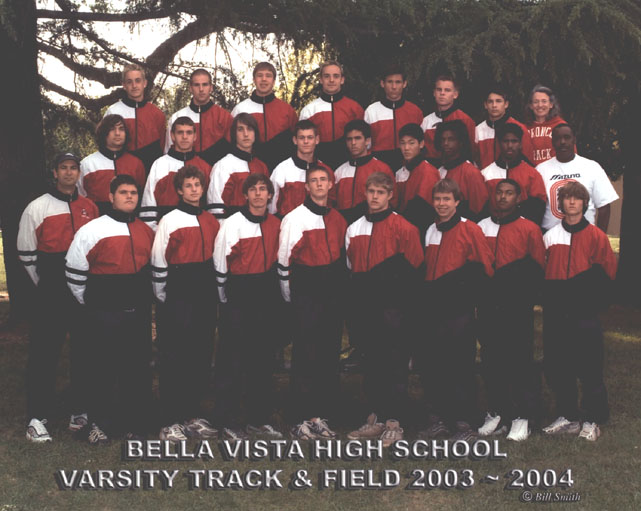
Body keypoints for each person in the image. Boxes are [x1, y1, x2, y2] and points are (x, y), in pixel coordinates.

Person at [65, 175, 155, 443]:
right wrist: (92, 301)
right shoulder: (93, 229)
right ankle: (99, 424)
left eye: (133, 193)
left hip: (136, 312)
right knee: (102, 369)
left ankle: (134, 424)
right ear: (112, 197)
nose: (129, 197)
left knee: (136, 368)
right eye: (123, 192)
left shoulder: (145, 230)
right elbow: (74, 271)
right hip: (103, 312)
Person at [18, 153, 99, 442]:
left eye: (73, 168)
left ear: (79, 173)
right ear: (54, 172)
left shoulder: (90, 207)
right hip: (51, 289)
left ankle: (80, 411)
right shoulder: (37, 207)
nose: (68, 172)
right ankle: (37, 417)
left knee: (84, 352)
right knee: (44, 353)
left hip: (83, 289)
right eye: (63, 168)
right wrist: (48, 284)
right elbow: (27, 254)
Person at [345, 172, 423, 447]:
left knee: (394, 366)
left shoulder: (405, 228)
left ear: (390, 195)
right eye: (371, 192)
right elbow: (350, 269)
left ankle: (395, 422)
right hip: (365, 310)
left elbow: (415, 274)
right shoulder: (353, 228)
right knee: (373, 364)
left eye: (381, 192)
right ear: (365, 194)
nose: (375, 197)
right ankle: (376, 418)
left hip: (394, 311)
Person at [418, 178, 494, 442]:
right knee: (434, 365)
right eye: (437, 199)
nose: (441, 204)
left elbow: (483, 269)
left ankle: (464, 423)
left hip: (459, 311)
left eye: (446, 199)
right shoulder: (430, 230)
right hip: (432, 311)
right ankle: (438, 419)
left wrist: (466, 298)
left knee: (460, 366)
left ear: (457, 202)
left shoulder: (469, 229)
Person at [541, 181, 617, 441]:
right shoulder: (550, 236)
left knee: (589, 367)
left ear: (585, 203)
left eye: (577, 198)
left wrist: (590, 305)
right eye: (567, 198)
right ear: (560, 204)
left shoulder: (596, 236)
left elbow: (607, 274)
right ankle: (568, 415)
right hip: (556, 314)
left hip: (584, 315)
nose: (572, 202)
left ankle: (593, 419)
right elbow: (543, 273)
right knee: (559, 365)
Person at [151, 166, 220, 443]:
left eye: (197, 185)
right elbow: (158, 259)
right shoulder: (170, 220)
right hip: (178, 289)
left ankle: (192, 414)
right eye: (188, 185)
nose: (193, 189)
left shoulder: (211, 220)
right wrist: (162, 295)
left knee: (200, 352)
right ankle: (170, 420)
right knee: (174, 354)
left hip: (204, 288)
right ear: (179, 190)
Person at [213, 173, 283, 441]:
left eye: (263, 189)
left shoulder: (277, 224)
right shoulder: (232, 225)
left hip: (266, 298)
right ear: (245, 195)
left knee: (262, 361)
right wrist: (226, 300)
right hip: (238, 298)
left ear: (269, 195)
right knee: (232, 362)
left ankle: (258, 418)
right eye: (252, 189)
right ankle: (227, 419)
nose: (257, 194)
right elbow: (220, 265)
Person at [278, 165, 347, 439]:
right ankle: (298, 416)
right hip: (305, 293)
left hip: (331, 294)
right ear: (306, 187)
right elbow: (284, 261)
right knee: (305, 355)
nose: (319, 184)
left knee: (328, 355)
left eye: (323, 180)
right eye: (313, 181)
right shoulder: (295, 218)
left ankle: (319, 415)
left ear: (331, 184)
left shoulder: (338, 219)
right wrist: (290, 296)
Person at [477, 179, 546, 441]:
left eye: (509, 193)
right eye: (499, 193)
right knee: (491, 359)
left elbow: (537, 269)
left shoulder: (528, 229)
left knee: (519, 359)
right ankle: (498, 411)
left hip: (516, 307)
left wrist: (523, 298)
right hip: (488, 305)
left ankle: (522, 415)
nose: (503, 197)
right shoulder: (482, 226)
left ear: (519, 198)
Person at [536, 123, 618, 232]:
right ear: (552, 142)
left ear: (574, 140)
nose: (563, 142)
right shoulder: (541, 170)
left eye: (567, 137)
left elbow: (604, 207)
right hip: (550, 238)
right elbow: (535, 209)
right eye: (558, 138)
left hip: (585, 235)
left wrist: (599, 238)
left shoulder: (591, 167)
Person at [140, 116, 212, 230]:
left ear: (195, 136)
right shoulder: (160, 165)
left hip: (198, 230)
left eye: (189, 133)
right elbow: (149, 203)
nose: (184, 137)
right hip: (166, 230)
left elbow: (210, 203)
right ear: (172, 136)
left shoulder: (205, 167)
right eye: (180, 133)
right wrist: (154, 232)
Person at [231, 62, 297, 171]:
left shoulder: (287, 110)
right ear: (254, 80)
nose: (264, 79)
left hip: (280, 168)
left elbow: (295, 143)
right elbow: (233, 141)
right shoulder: (240, 109)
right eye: (260, 75)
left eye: (268, 76)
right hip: (249, 167)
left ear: (274, 81)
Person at [299, 60, 365, 169]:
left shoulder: (355, 108)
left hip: (349, 165)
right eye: (326, 76)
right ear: (321, 80)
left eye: (336, 76)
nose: (331, 80)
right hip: (318, 167)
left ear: (342, 80)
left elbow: (364, 141)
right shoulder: (309, 110)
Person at [481, 123, 547, 225]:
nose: (510, 145)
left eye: (514, 141)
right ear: (499, 143)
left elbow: (538, 208)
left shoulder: (532, 174)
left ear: (520, 144)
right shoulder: (486, 174)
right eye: (505, 141)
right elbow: (482, 208)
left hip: (522, 231)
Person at [79, 114, 146, 214]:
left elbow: (141, 197)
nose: (117, 133)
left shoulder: (136, 164)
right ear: (104, 133)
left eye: (121, 129)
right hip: (98, 223)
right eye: (112, 129)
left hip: (128, 222)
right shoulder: (88, 164)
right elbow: (80, 198)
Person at [206, 113, 269, 220]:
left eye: (249, 129)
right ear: (234, 134)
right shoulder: (224, 165)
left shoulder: (261, 166)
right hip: (233, 230)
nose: (245, 134)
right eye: (240, 129)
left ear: (255, 133)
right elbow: (216, 208)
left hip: (259, 230)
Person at [104, 64, 166, 172]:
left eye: (138, 81)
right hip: (122, 171)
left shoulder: (157, 114)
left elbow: (164, 147)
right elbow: (104, 144)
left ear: (145, 83)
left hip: (151, 172)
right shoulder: (113, 111)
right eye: (129, 82)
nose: (134, 85)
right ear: (124, 85)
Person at [165, 68, 233, 166]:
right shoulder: (177, 117)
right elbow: (169, 152)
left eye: (205, 84)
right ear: (190, 88)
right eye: (197, 85)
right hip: (185, 176)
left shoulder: (224, 117)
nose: (201, 89)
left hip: (215, 175)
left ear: (211, 87)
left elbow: (231, 153)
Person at [333, 119, 395, 225]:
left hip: (374, 224)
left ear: (367, 141)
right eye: (349, 139)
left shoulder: (381, 169)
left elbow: (393, 200)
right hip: (344, 226)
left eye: (357, 138)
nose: (353, 143)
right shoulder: (339, 171)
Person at [269, 120, 335, 217]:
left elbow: (331, 206)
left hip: (318, 228)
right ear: (295, 140)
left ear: (317, 140)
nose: (306, 141)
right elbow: (271, 209)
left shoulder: (326, 171)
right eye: (301, 138)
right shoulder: (282, 170)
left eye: (310, 137)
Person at [364, 68, 423, 171]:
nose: (394, 86)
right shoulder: (372, 111)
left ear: (404, 84)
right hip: (379, 166)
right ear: (382, 83)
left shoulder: (415, 111)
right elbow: (365, 145)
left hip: (409, 165)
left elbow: (421, 143)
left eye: (398, 82)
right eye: (390, 82)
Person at [434, 120, 488, 222]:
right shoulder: (438, 171)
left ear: (460, 142)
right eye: (443, 139)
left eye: (451, 139)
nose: (446, 143)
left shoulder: (471, 173)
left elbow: (480, 210)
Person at [395, 123, 440, 238]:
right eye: (402, 143)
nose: (406, 148)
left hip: (420, 231)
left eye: (411, 143)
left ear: (421, 144)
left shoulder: (428, 171)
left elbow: (422, 209)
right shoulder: (400, 172)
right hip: (401, 229)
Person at [421, 74, 476, 165]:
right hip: (432, 169)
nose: (442, 93)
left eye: (447, 90)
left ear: (455, 95)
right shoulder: (426, 121)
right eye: (439, 89)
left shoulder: (464, 120)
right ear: (434, 93)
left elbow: (471, 151)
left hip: (456, 168)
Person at [475, 87, 534, 170]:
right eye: (490, 102)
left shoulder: (519, 128)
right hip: (487, 180)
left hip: (513, 179)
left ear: (506, 104)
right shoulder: (478, 130)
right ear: (485, 105)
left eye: (498, 101)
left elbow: (528, 161)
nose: (494, 105)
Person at [524, 84, 568, 166]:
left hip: (555, 173)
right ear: (531, 106)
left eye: (544, 101)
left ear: (551, 104)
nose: (540, 105)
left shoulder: (561, 126)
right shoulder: (524, 128)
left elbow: (570, 154)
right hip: (532, 173)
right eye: (536, 102)